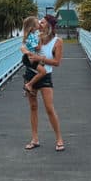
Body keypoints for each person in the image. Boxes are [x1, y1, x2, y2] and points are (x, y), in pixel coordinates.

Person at [24, 14, 65, 152]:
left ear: (49, 25)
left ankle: (59, 139)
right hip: (31, 73)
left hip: (45, 76)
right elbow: (24, 47)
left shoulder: (57, 42)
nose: (39, 24)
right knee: (33, 107)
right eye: (39, 22)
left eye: (42, 22)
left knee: (49, 108)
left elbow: (57, 62)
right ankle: (34, 139)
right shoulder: (35, 37)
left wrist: (39, 58)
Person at [21, 15, 47, 95]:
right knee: (43, 72)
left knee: (39, 69)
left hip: (32, 57)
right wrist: (41, 40)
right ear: (32, 26)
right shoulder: (31, 36)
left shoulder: (33, 34)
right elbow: (37, 48)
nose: (39, 24)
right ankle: (28, 85)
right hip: (30, 58)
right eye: (37, 23)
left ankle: (29, 86)